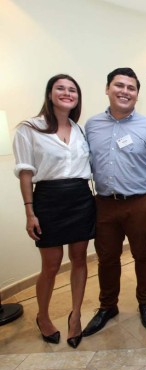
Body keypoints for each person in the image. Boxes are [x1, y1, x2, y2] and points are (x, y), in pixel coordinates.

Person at [82, 67, 146, 337]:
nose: (125, 92)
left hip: (140, 202)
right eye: (119, 86)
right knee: (107, 258)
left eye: (131, 88)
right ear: (107, 89)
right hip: (105, 203)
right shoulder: (92, 125)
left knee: (143, 255)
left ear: (137, 94)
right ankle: (108, 306)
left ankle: (145, 301)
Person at [13, 74, 95, 348]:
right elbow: (25, 172)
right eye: (61, 88)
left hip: (81, 197)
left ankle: (75, 316)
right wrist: (29, 211)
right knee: (50, 264)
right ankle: (43, 316)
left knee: (80, 259)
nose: (67, 93)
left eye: (73, 89)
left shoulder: (79, 129)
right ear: (50, 94)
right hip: (48, 199)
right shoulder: (30, 128)